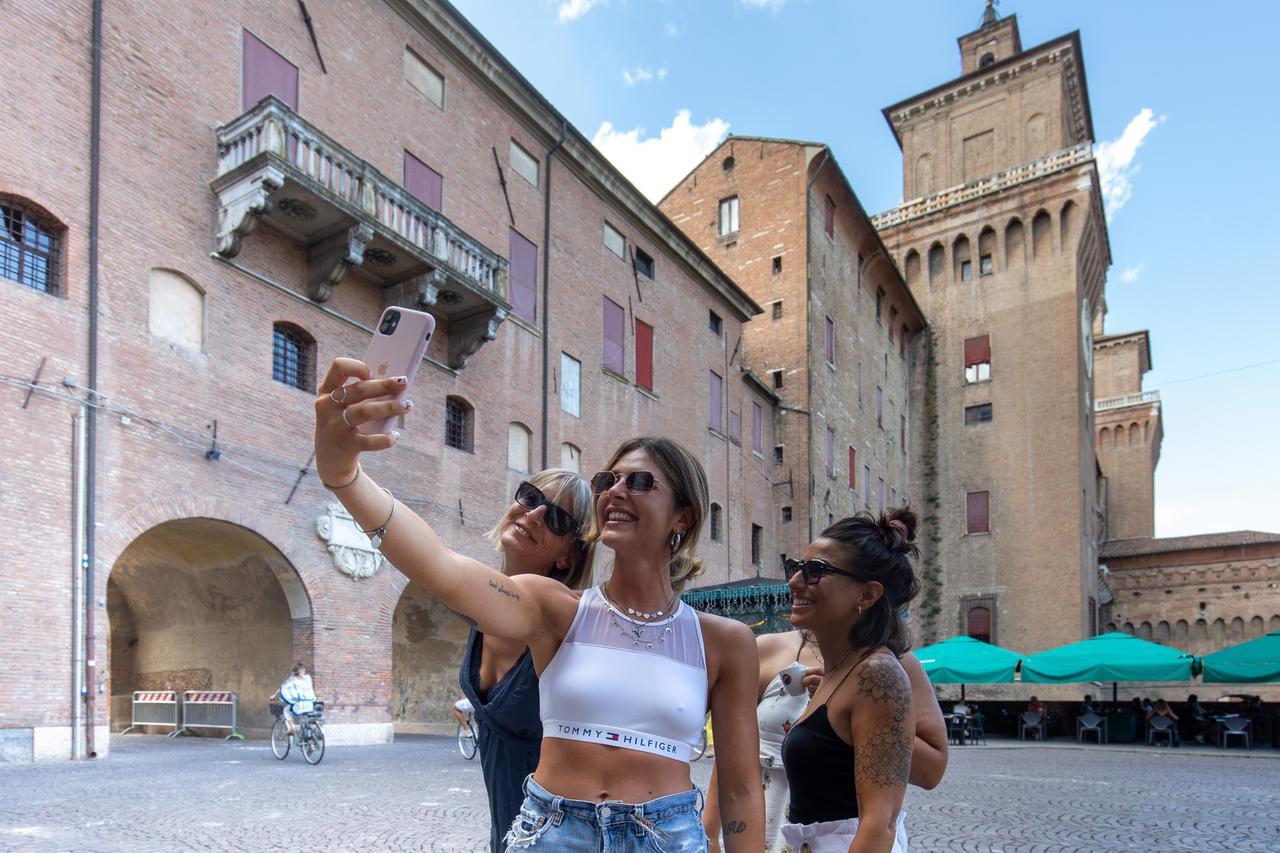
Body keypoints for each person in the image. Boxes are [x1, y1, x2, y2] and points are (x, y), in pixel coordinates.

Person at [313, 371, 763, 851]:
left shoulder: (723, 642)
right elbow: (442, 569)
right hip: (552, 834)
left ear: (683, 516)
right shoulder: (556, 610)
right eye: (608, 481)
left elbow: (740, 790)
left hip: (666, 838)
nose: (615, 491)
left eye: (639, 481)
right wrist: (346, 477)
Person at [703, 627, 947, 852]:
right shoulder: (765, 649)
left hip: (840, 835)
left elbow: (931, 771)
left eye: (815, 579)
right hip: (761, 823)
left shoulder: (890, 664)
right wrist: (710, 833)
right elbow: (731, 749)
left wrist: (862, 713)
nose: (796, 592)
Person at [457, 470, 596, 852]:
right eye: (532, 497)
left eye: (557, 519)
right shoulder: (484, 608)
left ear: (569, 555)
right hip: (507, 833)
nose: (534, 515)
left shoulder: (565, 627)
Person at [772, 510, 922, 853]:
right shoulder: (840, 670)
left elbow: (880, 824)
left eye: (815, 571)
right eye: (795, 567)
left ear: (866, 595)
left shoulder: (878, 674)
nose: (794, 582)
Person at [273, 663, 317, 736]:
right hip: (310, 704)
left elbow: (282, 687)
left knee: (286, 710)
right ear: (303, 670)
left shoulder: (292, 679)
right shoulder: (308, 678)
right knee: (304, 717)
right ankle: (308, 737)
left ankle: (292, 726)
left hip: (299, 705)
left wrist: (274, 695)